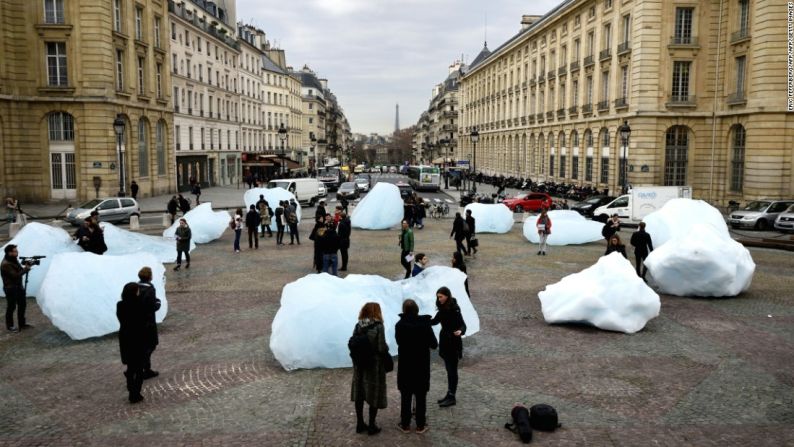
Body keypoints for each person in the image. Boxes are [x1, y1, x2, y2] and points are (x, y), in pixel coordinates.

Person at [395, 299, 438, 434]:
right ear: (417, 310)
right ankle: (420, 424)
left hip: (406, 365)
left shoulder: (400, 325)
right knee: (421, 396)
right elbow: (434, 344)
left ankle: (405, 424)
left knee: (406, 395)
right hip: (421, 365)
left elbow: (398, 342)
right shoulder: (425, 324)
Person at [350, 302, 389, 436]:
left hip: (359, 365)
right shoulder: (378, 326)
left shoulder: (358, 325)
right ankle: (372, 425)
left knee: (359, 394)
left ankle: (360, 424)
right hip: (374, 365)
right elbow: (381, 347)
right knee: (374, 394)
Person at [431, 286, 466, 408]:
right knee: (449, 370)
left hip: (453, 344)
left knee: (452, 371)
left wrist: (460, 331)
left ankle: (452, 396)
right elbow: (434, 321)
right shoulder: (442, 309)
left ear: (447, 296)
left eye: (440, 296)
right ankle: (449, 394)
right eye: (438, 297)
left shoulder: (454, 309)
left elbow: (463, 325)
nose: (439, 299)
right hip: (445, 342)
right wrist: (420, 320)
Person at [116, 282, 147, 403]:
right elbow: (144, 320)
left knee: (130, 366)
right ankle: (135, 393)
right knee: (139, 368)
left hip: (125, 337)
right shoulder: (140, 304)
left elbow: (121, 319)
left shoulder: (120, 305)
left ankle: (130, 388)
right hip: (138, 338)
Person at [136, 267, 161, 380]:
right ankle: (145, 369)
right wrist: (158, 303)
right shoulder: (149, 289)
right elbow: (151, 306)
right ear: (150, 276)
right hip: (148, 322)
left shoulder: (136, 287)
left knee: (143, 346)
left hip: (138, 321)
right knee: (150, 345)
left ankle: (142, 368)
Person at [1, 244, 31, 332]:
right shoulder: (5, 264)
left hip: (18, 287)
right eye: (15, 251)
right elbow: (15, 275)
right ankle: (10, 326)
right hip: (11, 288)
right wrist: (26, 269)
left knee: (22, 305)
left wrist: (26, 265)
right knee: (11, 307)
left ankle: (22, 324)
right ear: (9, 253)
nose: (17, 253)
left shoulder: (13, 260)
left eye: (17, 251)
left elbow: (19, 269)